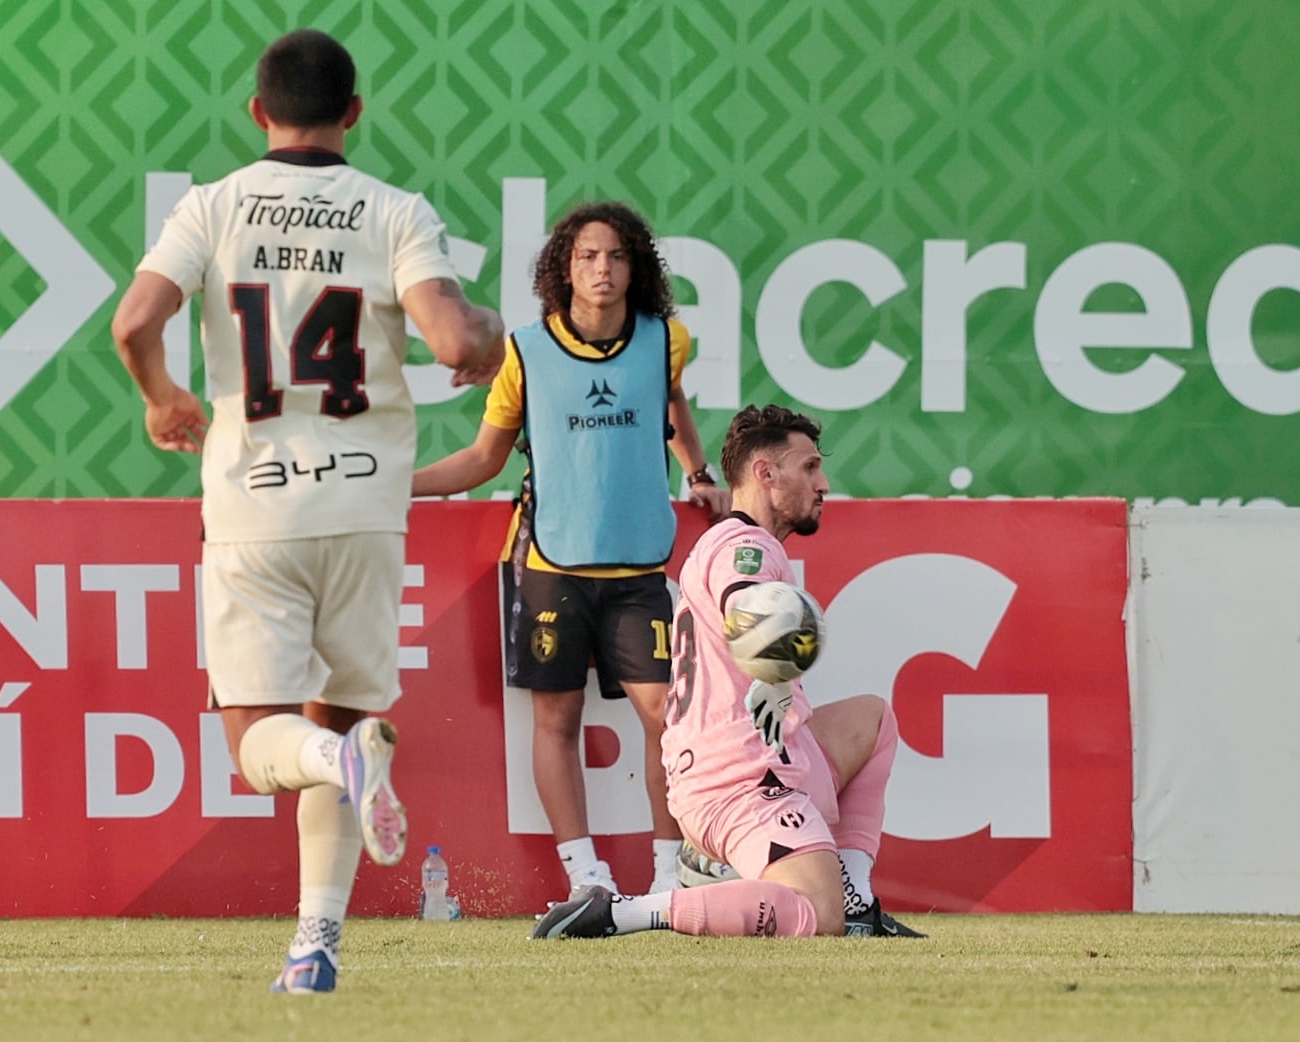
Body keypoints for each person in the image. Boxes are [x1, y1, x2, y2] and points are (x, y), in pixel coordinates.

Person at [111, 28, 503, 993]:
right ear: (355, 112)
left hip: (255, 506)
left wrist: (163, 396)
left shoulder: (211, 205)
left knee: (266, 747)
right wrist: (488, 336)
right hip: (367, 506)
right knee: (350, 723)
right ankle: (313, 948)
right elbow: (454, 334)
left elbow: (132, 322)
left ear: (257, 113)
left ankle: (335, 772)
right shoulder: (393, 211)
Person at [412, 201, 730, 898]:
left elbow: (669, 403)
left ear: (635, 266)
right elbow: (481, 459)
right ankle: (587, 877)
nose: (602, 269)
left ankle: (669, 873)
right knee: (556, 720)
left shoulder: (665, 340)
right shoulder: (525, 351)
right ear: (563, 268)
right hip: (549, 567)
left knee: (667, 719)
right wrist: (396, 486)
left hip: (638, 568)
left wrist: (699, 472)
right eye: (587, 256)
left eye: (616, 256)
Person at [531, 404, 925, 939]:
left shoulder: (733, 543)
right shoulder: (744, 546)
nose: (823, 482)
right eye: (809, 467)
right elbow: (748, 599)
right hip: (739, 779)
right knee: (816, 913)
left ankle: (857, 901)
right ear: (766, 473)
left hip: (756, 756)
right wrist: (776, 674)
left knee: (873, 721)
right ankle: (625, 910)